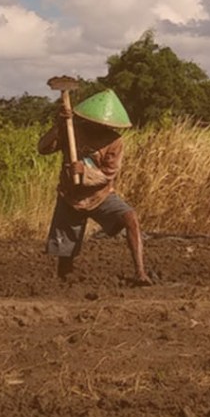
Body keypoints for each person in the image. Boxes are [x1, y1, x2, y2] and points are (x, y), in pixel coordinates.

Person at [38, 88, 151, 286]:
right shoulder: (72, 130)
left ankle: (140, 273)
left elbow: (108, 174)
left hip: (100, 195)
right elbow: (43, 148)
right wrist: (58, 126)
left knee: (130, 217)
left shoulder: (114, 141)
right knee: (66, 252)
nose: (100, 127)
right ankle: (64, 285)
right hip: (70, 196)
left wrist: (84, 171)